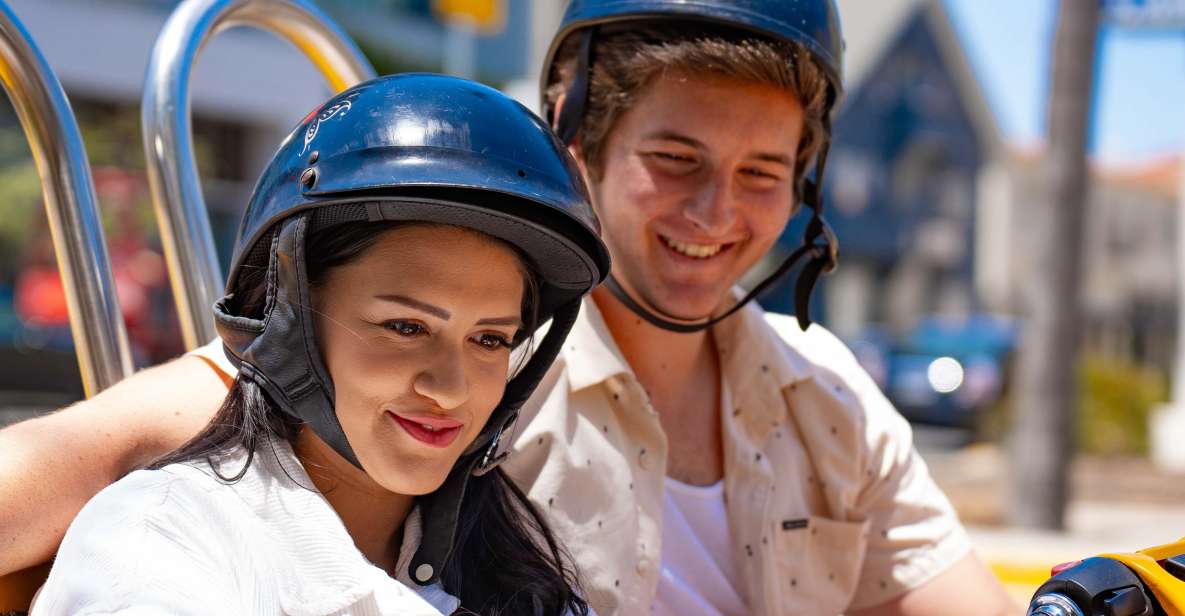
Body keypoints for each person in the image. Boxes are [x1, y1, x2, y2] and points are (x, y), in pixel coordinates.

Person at [0, 2, 1017, 615]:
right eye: (675, 160)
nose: (718, 213)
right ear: (577, 140)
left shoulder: (828, 393)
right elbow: (171, 439)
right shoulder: (453, 365)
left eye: (763, 172)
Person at [28, 73, 609, 616]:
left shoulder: (516, 561)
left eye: (489, 339)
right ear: (289, 321)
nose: (451, 389)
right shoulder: (160, 545)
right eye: (405, 328)